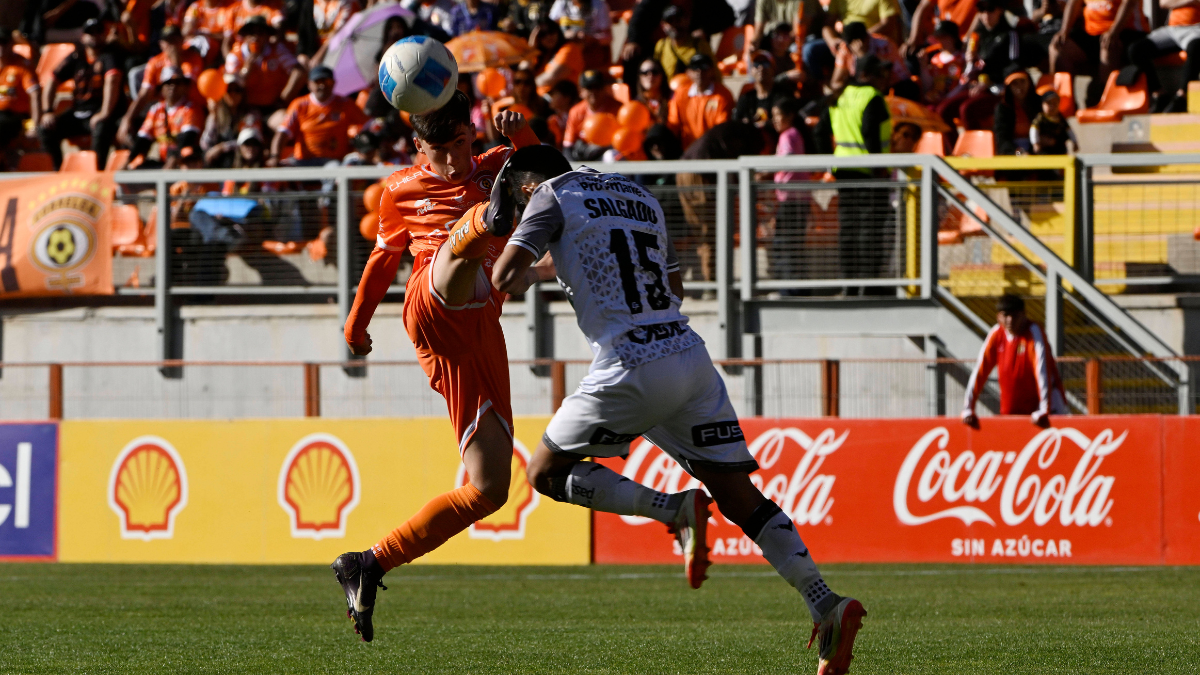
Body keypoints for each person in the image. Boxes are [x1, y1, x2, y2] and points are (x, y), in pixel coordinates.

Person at [489, 161, 867, 675]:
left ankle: (674, 509)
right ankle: (824, 601)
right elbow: (675, 286)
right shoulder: (639, 195)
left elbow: (504, 278)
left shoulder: (548, 195)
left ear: (528, 188)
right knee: (739, 495)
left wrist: (521, 248)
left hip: (629, 361)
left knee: (543, 473)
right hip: (688, 355)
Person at [329, 92, 540, 643]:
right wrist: (355, 323)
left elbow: (550, 171)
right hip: (431, 300)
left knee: (489, 489)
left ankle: (368, 563)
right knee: (457, 259)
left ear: (473, 134)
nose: (451, 161)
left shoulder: (501, 162)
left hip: (478, 332)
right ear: (417, 147)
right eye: (438, 151)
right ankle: (481, 223)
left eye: (461, 145)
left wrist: (521, 135)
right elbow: (383, 260)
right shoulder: (400, 188)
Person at [814, 54, 893, 294]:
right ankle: (870, 287)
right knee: (870, 230)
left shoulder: (840, 96)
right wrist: (879, 168)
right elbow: (870, 134)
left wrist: (829, 162)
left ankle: (850, 285)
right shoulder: (872, 97)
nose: (884, 78)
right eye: (880, 74)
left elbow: (819, 131)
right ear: (867, 75)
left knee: (849, 229)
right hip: (870, 175)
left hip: (845, 173)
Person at [962, 294, 1068, 426]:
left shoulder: (1033, 332)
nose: (1010, 320)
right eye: (1006, 315)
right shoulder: (996, 334)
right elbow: (980, 371)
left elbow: (1042, 370)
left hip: (1045, 410)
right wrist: (968, 408)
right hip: (1012, 410)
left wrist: (1043, 409)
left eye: (1014, 315)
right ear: (998, 317)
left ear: (1023, 315)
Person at [38, 18, 125, 170]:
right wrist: (48, 111)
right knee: (46, 128)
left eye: (98, 32)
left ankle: (97, 171)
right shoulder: (76, 56)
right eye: (90, 33)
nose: (95, 36)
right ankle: (57, 170)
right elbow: (52, 80)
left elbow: (112, 81)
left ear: (104, 35)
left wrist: (104, 113)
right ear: (83, 37)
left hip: (102, 113)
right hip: (78, 113)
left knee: (101, 127)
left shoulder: (111, 56)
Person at [119, 25, 206, 148]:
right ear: (161, 44)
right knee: (132, 127)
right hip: (165, 111)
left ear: (182, 40)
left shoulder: (193, 58)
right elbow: (144, 94)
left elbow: (183, 92)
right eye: (168, 41)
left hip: (190, 110)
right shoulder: (155, 63)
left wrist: (176, 63)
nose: (172, 45)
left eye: (175, 40)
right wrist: (127, 119)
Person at [1050, 0, 1147, 107]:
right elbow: (1073, 4)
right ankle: (1061, 103)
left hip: (1126, 30)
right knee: (1058, 47)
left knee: (1108, 45)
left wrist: (1113, 31)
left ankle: (1102, 98)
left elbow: (1128, 4)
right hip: (1092, 33)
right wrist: (1064, 32)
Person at [269, 64, 367, 165]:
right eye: (318, 82)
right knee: (284, 167)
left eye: (327, 81)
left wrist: (363, 148)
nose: (322, 85)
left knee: (335, 167)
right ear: (309, 84)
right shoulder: (300, 104)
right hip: (303, 160)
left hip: (332, 161)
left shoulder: (345, 104)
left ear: (333, 83)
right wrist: (275, 156)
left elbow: (368, 124)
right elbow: (283, 132)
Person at [1126, 0, 1200, 113]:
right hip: (1172, 29)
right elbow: (1164, 3)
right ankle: (1160, 94)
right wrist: (1190, 1)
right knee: (1136, 49)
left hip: (1196, 29)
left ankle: (1182, 96)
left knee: (1195, 47)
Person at [223, 16, 307, 112]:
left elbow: (299, 72)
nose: (255, 37)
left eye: (260, 33)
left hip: (275, 107)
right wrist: (245, 71)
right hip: (247, 108)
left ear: (267, 36)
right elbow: (231, 87)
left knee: (281, 118)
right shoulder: (235, 55)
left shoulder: (277, 50)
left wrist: (282, 99)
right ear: (245, 37)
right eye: (251, 33)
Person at [130, 69, 206, 168]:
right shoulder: (156, 109)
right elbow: (143, 139)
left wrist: (173, 160)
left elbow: (187, 139)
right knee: (137, 168)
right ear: (162, 88)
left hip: (183, 162)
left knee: (187, 154)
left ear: (185, 87)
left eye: (177, 83)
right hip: (163, 161)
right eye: (168, 83)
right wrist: (128, 160)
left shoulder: (191, 108)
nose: (172, 86)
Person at [667, 53, 735, 150]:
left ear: (712, 70)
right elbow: (673, 123)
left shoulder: (722, 95)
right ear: (688, 72)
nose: (699, 71)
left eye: (704, 67)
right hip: (687, 151)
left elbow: (721, 127)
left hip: (713, 150)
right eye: (695, 67)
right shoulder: (681, 94)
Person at [0, 33, 40, 164]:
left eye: (4, 43)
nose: (1, 47)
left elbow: (35, 94)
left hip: (16, 116)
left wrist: (34, 126)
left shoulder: (22, 65)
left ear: (11, 44)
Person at [562, 69, 621, 157]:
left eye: (597, 87)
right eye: (589, 88)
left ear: (604, 88)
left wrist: (599, 149)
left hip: (607, 154)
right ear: (581, 91)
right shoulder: (576, 112)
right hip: (584, 157)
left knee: (611, 156)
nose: (594, 92)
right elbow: (568, 146)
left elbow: (621, 141)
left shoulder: (618, 109)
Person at [653, 4, 714, 80]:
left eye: (678, 20)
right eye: (670, 21)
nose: (675, 25)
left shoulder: (700, 45)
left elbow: (715, 75)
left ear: (687, 20)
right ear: (663, 25)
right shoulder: (661, 46)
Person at [993, 68, 1039, 154]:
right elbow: (1002, 138)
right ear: (1009, 87)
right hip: (1012, 152)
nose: (1020, 87)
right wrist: (1015, 152)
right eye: (1015, 83)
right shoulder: (1002, 108)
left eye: (1022, 81)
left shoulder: (1039, 104)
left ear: (1029, 82)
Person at [1030, 89, 1076, 154]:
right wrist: (1035, 144)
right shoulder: (1040, 118)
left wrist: (1074, 142)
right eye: (1049, 103)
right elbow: (1034, 130)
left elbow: (1069, 131)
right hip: (1045, 151)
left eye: (1055, 103)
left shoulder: (1061, 118)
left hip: (1060, 150)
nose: (1052, 106)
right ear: (1042, 105)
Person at [635, 58, 671, 126]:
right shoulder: (636, 105)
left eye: (655, 72)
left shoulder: (673, 99)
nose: (650, 75)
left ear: (662, 75)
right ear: (639, 77)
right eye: (645, 73)